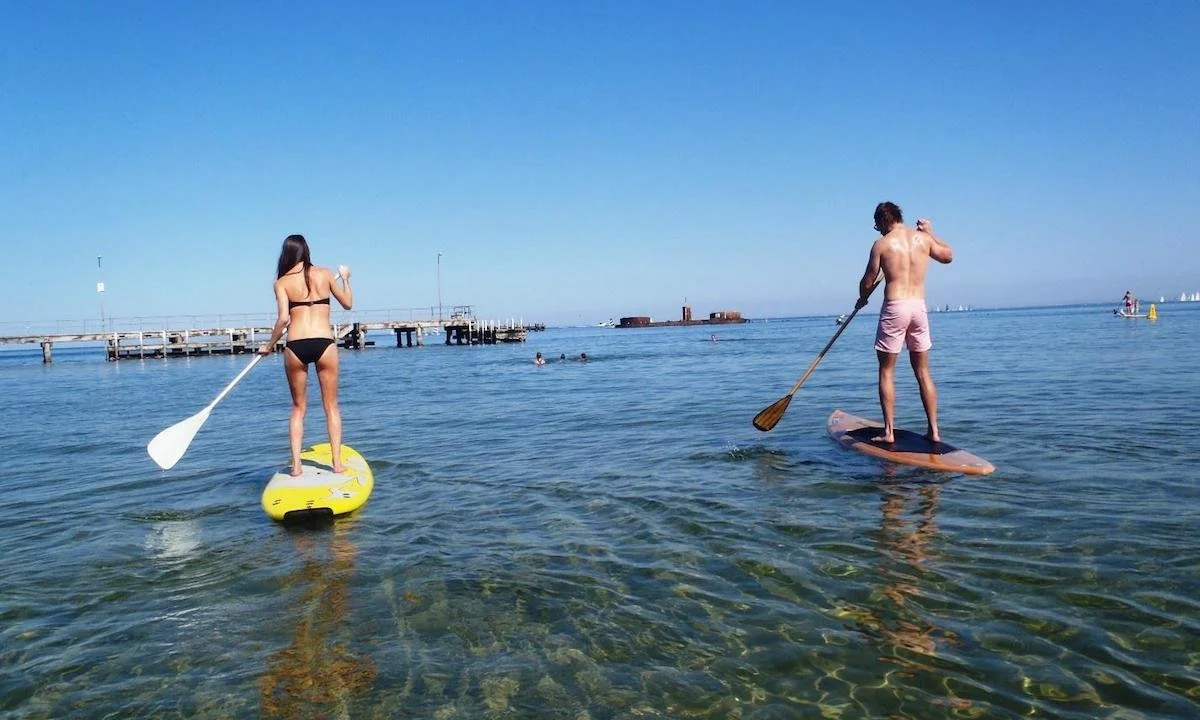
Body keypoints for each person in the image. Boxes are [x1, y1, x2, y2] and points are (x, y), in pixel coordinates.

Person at [856, 202, 953, 444]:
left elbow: (868, 281)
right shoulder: (923, 239)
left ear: (882, 221)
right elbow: (948, 256)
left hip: (896, 306)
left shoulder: (882, 244)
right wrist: (930, 233)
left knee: (886, 371)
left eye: (877, 225)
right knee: (923, 371)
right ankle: (934, 430)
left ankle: (889, 432)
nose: (877, 229)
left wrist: (862, 298)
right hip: (918, 307)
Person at [259, 235, 354, 476]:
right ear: (306, 251)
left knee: (298, 408)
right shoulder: (324, 273)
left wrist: (269, 344)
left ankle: (297, 467)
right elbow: (348, 304)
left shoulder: (281, 283)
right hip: (324, 343)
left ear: (286, 254)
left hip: (296, 345)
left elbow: (283, 319)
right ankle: (337, 464)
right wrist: (345, 279)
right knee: (331, 406)